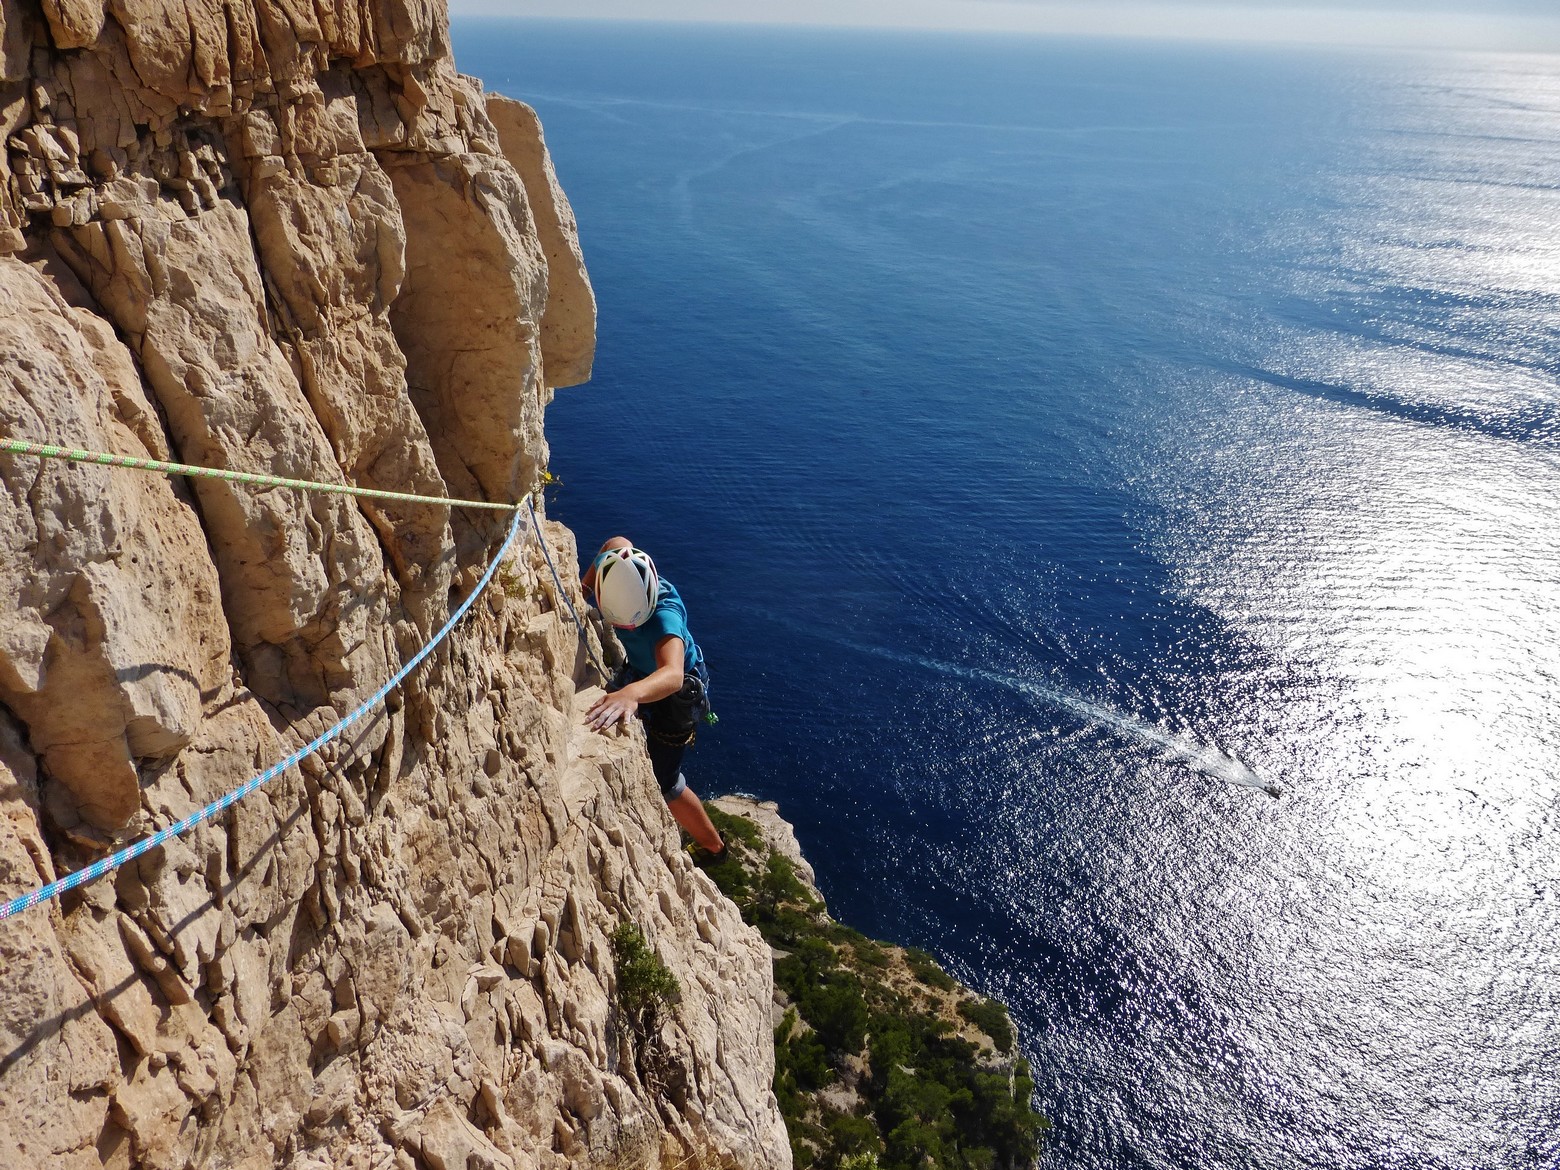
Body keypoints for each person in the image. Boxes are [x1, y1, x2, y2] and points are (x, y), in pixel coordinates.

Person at [582, 537, 726, 862]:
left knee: (666, 781)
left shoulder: (665, 617)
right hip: (644, 670)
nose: (624, 629)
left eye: (631, 624)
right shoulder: (621, 567)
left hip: (677, 695)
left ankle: (715, 848)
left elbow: (672, 674)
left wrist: (632, 693)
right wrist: (585, 588)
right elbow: (614, 543)